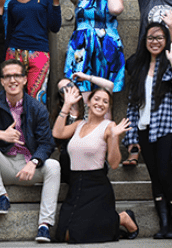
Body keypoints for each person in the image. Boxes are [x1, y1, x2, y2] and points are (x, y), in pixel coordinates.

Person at [0, 59, 60, 243]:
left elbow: (47, 143)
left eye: (17, 75)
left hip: (28, 168)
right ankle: (2, 196)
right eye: (8, 76)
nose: (12, 80)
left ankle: (44, 225)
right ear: (2, 81)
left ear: (25, 79)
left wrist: (34, 162)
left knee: (54, 166)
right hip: (2, 166)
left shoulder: (37, 107)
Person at [123, 22, 172, 239]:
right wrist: (132, 136)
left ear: (166, 40)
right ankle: (164, 225)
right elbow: (133, 104)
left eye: (160, 37)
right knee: (155, 177)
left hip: (167, 128)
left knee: (165, 174)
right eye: (151, 37)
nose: (155, 42)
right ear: (144, 41)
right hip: (144, 129)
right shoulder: (139, 66)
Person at [52, 87, 138, 243]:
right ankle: (119, 219)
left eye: (105, 101)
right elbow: (57, 133)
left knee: (77, 235)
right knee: (63, 234)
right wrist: (67, 105)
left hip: (97, 187)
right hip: (76, 185)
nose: (100, 103)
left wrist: (114, 137)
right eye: (97, 99)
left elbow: (113, 164)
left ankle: (122, 219)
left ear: (108, 107)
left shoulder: (109, 126)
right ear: (89, 102)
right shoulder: (79, 124)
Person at [62, 0, 127, 109]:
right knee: (84, 96)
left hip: (107, 47)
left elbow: (116, 9)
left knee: (103, 99)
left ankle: (105, 126)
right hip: (82, 47)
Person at [5, 0, 63, 103]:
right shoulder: (13, 3)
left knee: (36, 97)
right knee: (13, 97)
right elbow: (10, 31)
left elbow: (54, 27)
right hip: (14, 53)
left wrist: (56, 2)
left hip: (38, 53)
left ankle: (35, 120)